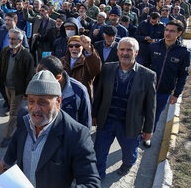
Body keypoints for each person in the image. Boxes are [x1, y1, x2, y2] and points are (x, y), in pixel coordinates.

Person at [0, 70, 101, 188]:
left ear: (58, 101)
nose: (35, 109)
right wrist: (7, 160)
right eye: (31, 101)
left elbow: (92, 184)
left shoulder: (77, 135)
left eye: (43, 102)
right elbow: (16, 140)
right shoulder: (24, 117)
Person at [92, 37, 156, 179]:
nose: (125, 53)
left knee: (129, 151)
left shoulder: (148, 76)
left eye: (129, 50)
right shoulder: (107, 68)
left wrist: (148, 129)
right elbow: (99, 94)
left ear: (136, 52)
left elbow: (151, 105)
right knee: (99, 151)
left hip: (130, 123)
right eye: (122, 49)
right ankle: (98, 176)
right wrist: (94, 114)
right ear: (117, 51)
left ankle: (127, 164)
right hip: (107, 120)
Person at [144, 20, 190, 147]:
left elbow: (183, 75)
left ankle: (148, 136)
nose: (168, 33)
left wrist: (176, 94)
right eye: (166, 30)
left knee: (155, 115)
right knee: (140, 112)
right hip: (147, 89)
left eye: (172, 31)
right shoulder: (153, 46)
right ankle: (136, 133)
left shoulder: (184, 52)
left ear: (179, 33)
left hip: (164, 91)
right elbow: (144, 67)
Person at [0, 28, 34, 148]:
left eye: (14, 39)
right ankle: (23, 120)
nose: (11, 41)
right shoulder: (6, 51)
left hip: (18, 90)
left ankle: (8, 136)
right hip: (7, 86)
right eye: (10, 38)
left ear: (21, 40)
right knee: (15, 110)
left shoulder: (26, 56)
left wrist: (27, 93)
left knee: (13, 114)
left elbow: (29, 76)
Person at [36, 56, 92, 130]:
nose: (40, 80)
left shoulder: (79, 91)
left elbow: (86, 124)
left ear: (58, 77)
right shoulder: (38, 87)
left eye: (44, 78)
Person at [60, 35, 102, 100]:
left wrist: (88, 48)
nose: (74, 48)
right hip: (64, 98)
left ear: (82, 47)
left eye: (77, 46)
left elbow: (96, 70)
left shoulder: (87, 61)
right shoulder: (62, 61)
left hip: (82, 99)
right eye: (71, 46)